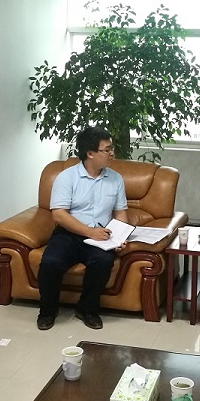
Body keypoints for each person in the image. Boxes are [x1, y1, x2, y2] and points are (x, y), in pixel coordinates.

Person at [36, 126, 129, 331]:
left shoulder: (115, 179)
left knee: (103, 261)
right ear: (90, 153)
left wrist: (120, 237)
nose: (112, 153)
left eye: (111, 148)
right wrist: (89, 232)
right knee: (51, 262)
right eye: (107, 149)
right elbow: (59, 215)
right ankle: (47, 311)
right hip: (69, 234)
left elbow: (120, 212)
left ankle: (87, 309)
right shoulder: (66, 177)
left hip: (101, 235)